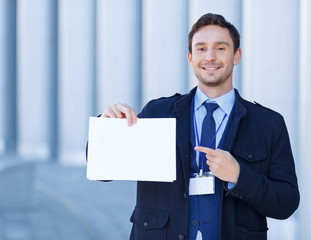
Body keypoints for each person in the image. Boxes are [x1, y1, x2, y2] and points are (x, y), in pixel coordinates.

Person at [96, 13, 299, 240]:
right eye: (201, 49)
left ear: (236, 55)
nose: (210, 57)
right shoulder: (157, 113)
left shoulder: (268, 124)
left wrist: (239, 176)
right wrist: (107, 128)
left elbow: (287, 203)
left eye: (221, 48)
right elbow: (104, 171)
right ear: (190, 57)